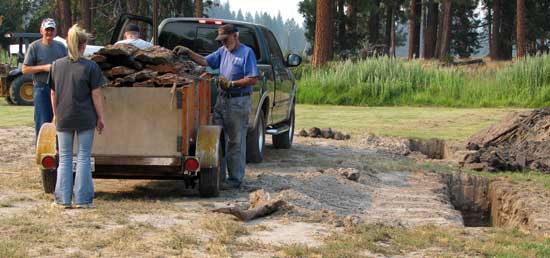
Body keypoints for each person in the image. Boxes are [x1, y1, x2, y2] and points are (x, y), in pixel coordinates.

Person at [173, 24, 259, 189]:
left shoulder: (247, 53)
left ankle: (235, 179)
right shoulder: (223, 51)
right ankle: (218, 176)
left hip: (238, 101)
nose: (224, 44)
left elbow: (253, 79)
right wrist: (188, 52)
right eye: (221, 41)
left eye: (226, 40)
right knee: (216, 139)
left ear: (235, 35)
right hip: (222, 100)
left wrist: (232, 83)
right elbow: (205, 61)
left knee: (235, 141)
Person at [48, 24, 106, 209]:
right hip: (85, 117)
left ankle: (62, 199)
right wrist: (100, 117)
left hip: (63, 116)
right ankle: (83, 200)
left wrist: (56, 115)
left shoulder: (56, 65)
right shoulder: (91, 67)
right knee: (83, 157)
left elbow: (53, 93)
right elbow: (96, 94)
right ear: (84, 45)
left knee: (64, 158)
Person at [22, 18, 67, 141]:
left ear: (55, 31)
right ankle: (41, 149)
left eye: (52, 30)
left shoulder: (61, 47)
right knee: (42, 119)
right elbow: (25, 69)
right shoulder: (34, 47)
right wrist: (45, 67)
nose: (49, 33)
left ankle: (58, 148)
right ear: (41, 30)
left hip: (59, 89)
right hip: (42, 88)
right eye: (47, 30)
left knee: (59, 119)